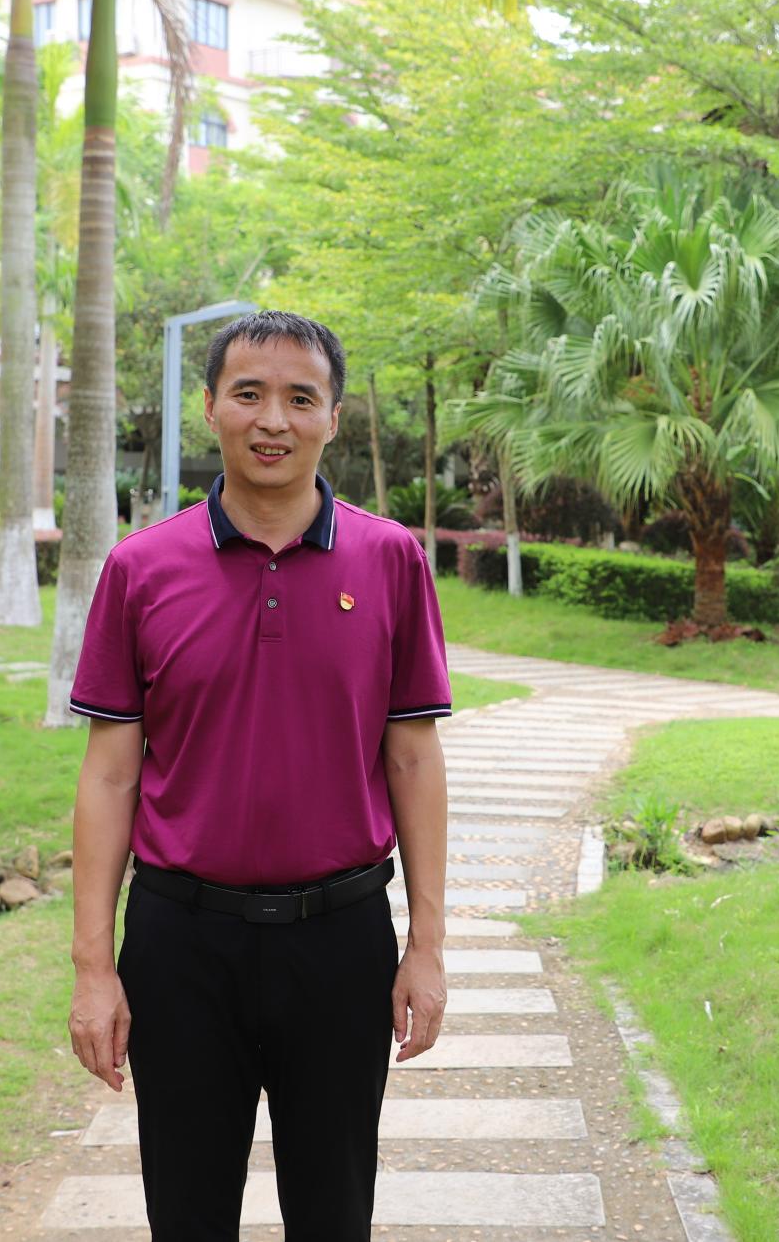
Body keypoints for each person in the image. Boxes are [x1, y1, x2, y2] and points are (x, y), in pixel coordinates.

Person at [67, 309, 450, 1241]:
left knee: (335, 1214)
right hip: (181, 944)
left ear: (333, 417)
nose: (273, 419)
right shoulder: (141, 568)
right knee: (187, 1216)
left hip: (342, 940)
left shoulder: (390, 560)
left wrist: (428, 946)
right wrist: (93, 968)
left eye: (299, 398)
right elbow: (110, 777)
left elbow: (412, 756)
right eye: (249, 393)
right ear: (211, 407)